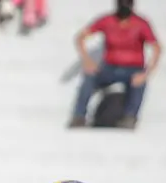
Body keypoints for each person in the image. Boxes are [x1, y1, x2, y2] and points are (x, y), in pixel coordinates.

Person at [68, 0, 160, 130]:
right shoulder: (107, 20)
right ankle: (79, 116)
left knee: (139, 82)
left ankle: (130, 117)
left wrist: (147, 73)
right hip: (110, 68)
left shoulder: (141, 23)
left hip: (133, 69)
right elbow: (80, 37)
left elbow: (156, 48)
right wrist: (87, 60)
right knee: (89, 76)